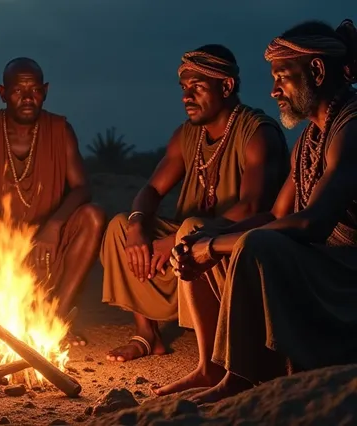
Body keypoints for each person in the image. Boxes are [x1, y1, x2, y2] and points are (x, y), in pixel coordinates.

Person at [163, 19, 357, 404]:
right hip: (324, 267)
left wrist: (218, 247)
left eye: (283, 77)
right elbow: (274, 214)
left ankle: (242, 378)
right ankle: (211, 366)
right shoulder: (310, 136)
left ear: (316, 71)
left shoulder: (350, 126)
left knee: (257, 245)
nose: (274, 90)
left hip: (346, 275)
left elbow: (311, 223)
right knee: (201, 230)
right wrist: (206, 239)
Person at [100, 44, 290, 362]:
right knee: (121, 226)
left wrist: (177, 240)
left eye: (198, 87)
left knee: (192, 227)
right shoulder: (187, 135)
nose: (187, 97)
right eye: (184, 88)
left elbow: (252, 207)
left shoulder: (258, 132)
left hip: (237, 247)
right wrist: (136, 225)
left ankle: (216, 351)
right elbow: (150, 191)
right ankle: (148, 335)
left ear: (226, 86)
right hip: (186, 248)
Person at [0, 57, 105, 346]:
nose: (27, 98)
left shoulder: (60, 129)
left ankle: (56, 322)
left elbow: (82, 187)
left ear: (45, 91)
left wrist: (55, 225)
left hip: (47, 248)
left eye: (34, 90)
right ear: (2, 93)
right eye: (17, 91)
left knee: (93, 216)